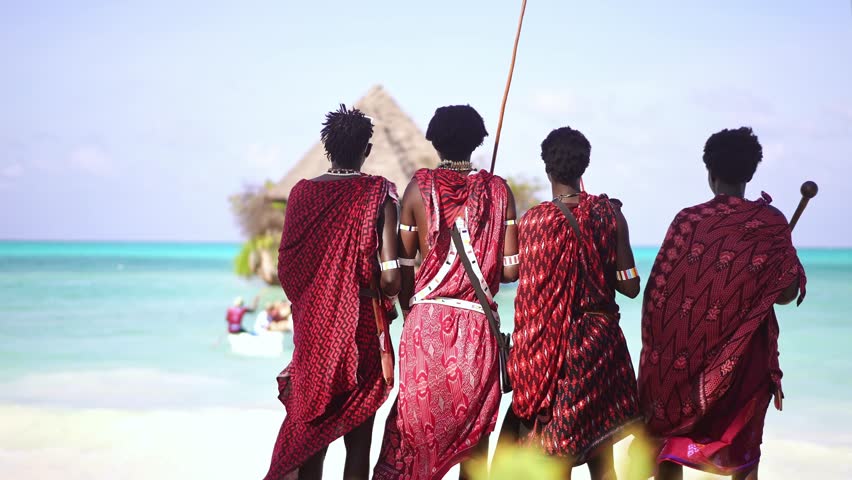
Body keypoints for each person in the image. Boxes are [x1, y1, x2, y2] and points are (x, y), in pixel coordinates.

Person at [635, 127, 806, 480]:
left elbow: (660, 298)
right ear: (751, 173)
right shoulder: (771, 224)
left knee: (671, 448)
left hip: (680, 370)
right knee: (743, 459)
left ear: (710, 173)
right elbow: (787, 295)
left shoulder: (689, 221)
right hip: (744, 363)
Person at [373, 105, 519, 480]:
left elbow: (404, 268)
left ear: (434, 142)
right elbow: (509, 271)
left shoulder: (417, 189)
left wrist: (412, 313)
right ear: (478, 142)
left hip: (425, 326)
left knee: (415, 436)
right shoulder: (498, 191)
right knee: (474, 441)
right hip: (477, 326)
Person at [263, 105, 401, 480]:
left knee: (312, 442)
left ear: (326, 148)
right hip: (362, 339)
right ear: (367, 150)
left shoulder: (301, 195)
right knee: (358, 444)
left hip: (314, 338)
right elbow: (390, 279)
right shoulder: (378, 195)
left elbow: (288, 272)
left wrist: (320, 303)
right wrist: (384, 295)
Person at [505, 126, 642, 479]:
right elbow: (629, 287)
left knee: (555, 456)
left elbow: (531, 298)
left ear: (547, 169)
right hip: (600, 347)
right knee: (602, 457)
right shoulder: (609, 215)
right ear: (585, 167)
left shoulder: (533, 222)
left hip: (551, 352)